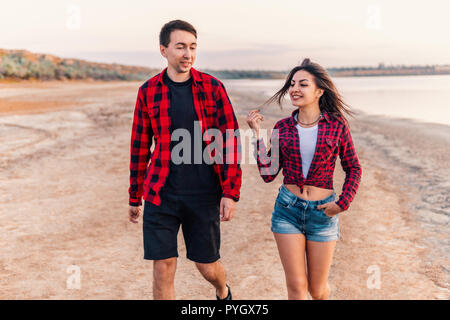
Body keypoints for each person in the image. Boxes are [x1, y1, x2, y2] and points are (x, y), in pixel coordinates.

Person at [128, 20, 241, 300]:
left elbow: (229, 143)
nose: (188, 54)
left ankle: (222, 291)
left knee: (207, 266)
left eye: (192, 47)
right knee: (163, 267)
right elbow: (140, 147)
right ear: (164, 50)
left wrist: (230, 192)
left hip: (203, 194)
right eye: (180, 47)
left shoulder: (213, 88)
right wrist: (134, 196)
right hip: (160, 194)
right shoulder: (148, 91)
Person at [247, 58, 361, 300]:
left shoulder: (337, 126)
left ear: (319, 91)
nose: (295, 89)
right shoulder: (283, 127)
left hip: (322, 213)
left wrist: (342, 203)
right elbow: (268, 173)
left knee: (317, 291)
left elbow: (353, 168)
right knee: (297, 289)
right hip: (287, 210)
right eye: (292, 84)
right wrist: (257, 135)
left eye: (303, 84)